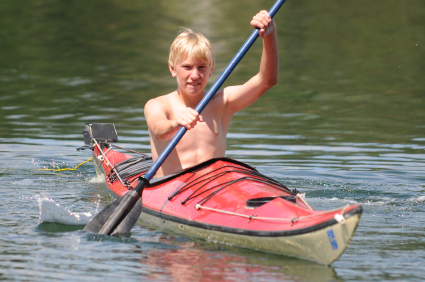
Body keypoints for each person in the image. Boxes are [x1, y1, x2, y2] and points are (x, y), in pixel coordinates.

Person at [144, 10, 279, 177]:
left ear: (211, 70)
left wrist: (270, 36)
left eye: (201, 67)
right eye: (187, 67)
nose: (194, 75)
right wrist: (176, 124)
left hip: (213, 189)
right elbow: (158, 129)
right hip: (171, 192)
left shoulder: (223, 102)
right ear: (172, 69)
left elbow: (267, 80)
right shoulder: (158, 105)